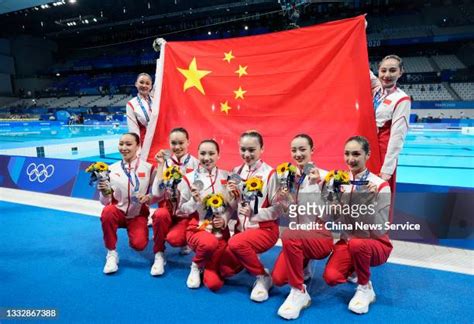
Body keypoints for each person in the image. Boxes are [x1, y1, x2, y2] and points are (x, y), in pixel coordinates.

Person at [322, 136, 392, 314]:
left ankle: (365, 287)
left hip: (375, 243)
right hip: (348, 242)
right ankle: (354, 268)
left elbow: (380, 228)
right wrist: (333, 208)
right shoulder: (339, 183)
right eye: (347, 153)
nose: (350, 159)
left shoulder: (380, 186)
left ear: (367, 155)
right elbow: (333, 220)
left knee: (358, 243)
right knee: (331, 277)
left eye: (356, 154)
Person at [271, 134, 334, 320]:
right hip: (295, 239)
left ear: (312, 151)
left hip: (318, 236)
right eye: (294, 150)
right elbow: (281, 211)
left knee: (289, 235)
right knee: (278, 279)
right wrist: (282, 200)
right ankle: (304, 262)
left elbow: (333, 214)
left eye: (302, 149)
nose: (298, 154)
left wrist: (318, 186)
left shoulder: (324, 177)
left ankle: (299, 291)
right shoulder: (287, 178)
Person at [216, 130, 282, 301]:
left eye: (252, 150)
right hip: (242, 231)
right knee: (225, 270)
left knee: (236, 243)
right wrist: (229, 198)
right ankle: (250, 256)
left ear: (262, 149)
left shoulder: (270, 174)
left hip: (264, 229)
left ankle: (263, 276)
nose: (247, 154)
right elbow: (233, 205)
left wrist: (256, 213)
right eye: (243, 149)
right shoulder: (236, 171)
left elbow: (279, 209)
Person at [98, 133, 156, 274]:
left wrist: (148, 197)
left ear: (138, 146)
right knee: (107, 212)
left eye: (128, 144)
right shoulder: (110, 170)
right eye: (121, 144)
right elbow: (104, 202)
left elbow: (157, 195)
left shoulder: (149, 169)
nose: (124, 147)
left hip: (137, 215)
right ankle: (111, 253)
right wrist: (105, 193)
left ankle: (138, 232)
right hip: (118, 213)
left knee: (139, 245)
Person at [178, 139, 230, 289]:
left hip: (220, 231)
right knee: (209, 243)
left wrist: (225, 218)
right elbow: (183, 209)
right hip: (198, 228)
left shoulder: (227, 177)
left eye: (211, 153)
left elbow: (231, 207)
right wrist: (194, 201)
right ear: (197, 155)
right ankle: (195, 265)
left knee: (217, 281)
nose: (206, 157)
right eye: (203, 153)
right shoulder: (188, 178)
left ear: (219, 155)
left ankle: (207, 263)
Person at [150, 127, 200, 276]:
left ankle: (184, 240)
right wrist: (160, 165)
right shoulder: (165, 163)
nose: (177, 147)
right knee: (159, 215)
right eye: (173, 143)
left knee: (174, 240)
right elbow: (156, 193)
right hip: (168, 209)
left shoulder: (197, 164)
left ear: (188, 142)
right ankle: (159, 254)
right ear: (169, 144)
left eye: (181, 143)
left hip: (185, 212)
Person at [369, 55, 411, 193]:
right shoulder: (376, 89)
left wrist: (387, 170)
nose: (387, 75)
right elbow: (363, 69)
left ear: (401, 72)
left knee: (379, 195)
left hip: (383, 152)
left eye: (392, 70)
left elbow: (397, 137)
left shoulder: (401, 99)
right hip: (367, 148)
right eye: (383, 70)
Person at [126, 73, 153, 146]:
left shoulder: (156, 101)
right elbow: (133, 130)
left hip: (159, 141)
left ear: (151, 86)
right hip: (144, 145)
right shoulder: (131, 104)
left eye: (147, 83)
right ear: (136, 84)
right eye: (141, 82)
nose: (144, 85)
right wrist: (138, 149)